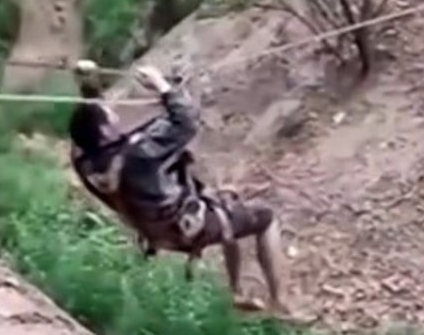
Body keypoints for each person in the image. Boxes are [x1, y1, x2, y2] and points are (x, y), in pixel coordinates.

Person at [68, 60, 287, 314]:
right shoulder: (140, 155)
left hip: (153, 230)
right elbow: (186, 121)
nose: (115, 114)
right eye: (110, 115)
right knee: (265, 218)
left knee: (224, 204)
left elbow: (90, 124)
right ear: (105, 131)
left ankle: (236, 291)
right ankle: (279, 303)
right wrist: (162, 86)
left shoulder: (84, 160)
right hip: (184, 227)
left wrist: (88, 85)